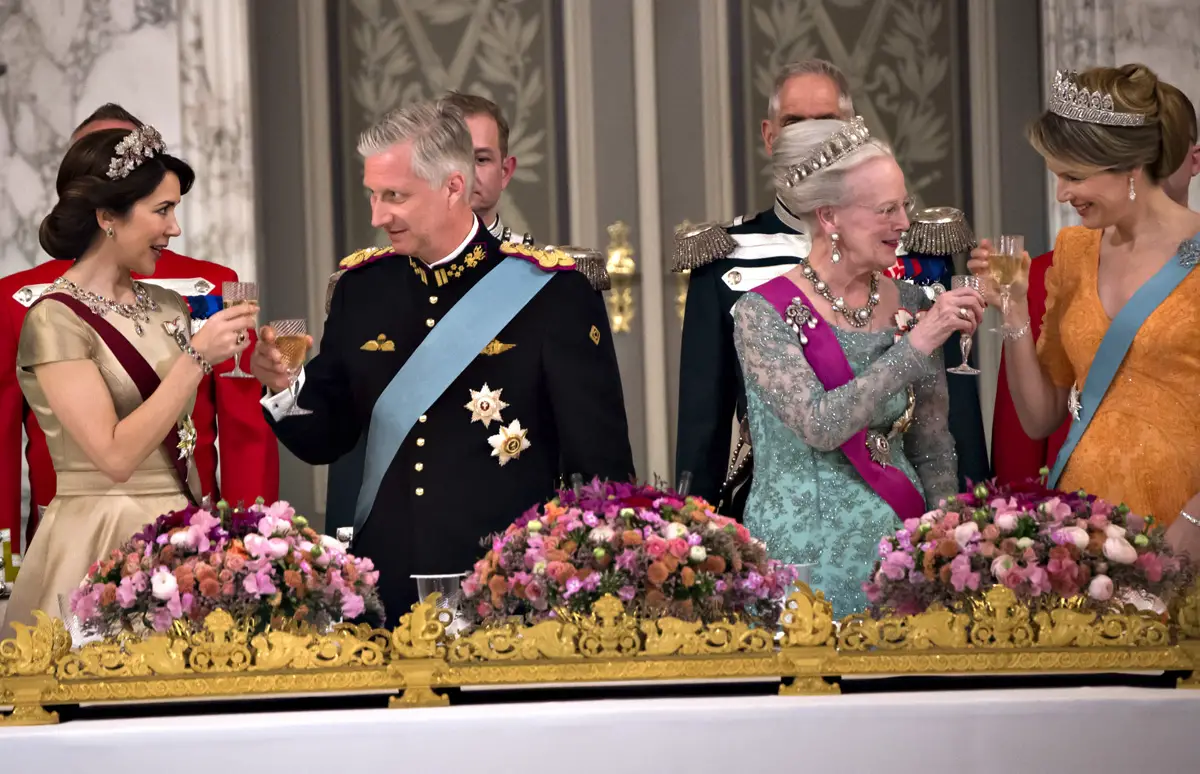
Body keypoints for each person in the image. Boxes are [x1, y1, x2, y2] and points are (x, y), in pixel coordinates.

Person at [251, 99, 634, 627]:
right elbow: (327, 437)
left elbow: (600, 468)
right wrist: (284, 387)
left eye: (395, 196)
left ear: (453, 188)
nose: (377, 216)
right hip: (386, 589)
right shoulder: (362, 290)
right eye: (373, 195)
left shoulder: (555, 293)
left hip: (510, 590)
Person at [2, 126, 257, 636]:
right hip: (101, 543)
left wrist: (273, 377)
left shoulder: (168, 308)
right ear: (107, 217)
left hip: (185, 542)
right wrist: (196, 360)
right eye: (162, 211)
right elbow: (114, 457)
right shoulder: (54, 319)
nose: (175, 229)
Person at [732, 118, 980, 616]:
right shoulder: (762, 312)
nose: (904, 222)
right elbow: (820, 425)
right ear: (829, 217)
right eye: (886, 209)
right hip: (805, 564)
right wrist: (917, 345)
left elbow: (931, 448)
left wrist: (948, 549)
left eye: (904, 205)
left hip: (902, 558)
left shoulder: (911, 302)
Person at [970, 65, 1200, 560]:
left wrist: (1195, 517)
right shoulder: (1073, 252)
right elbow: (1040, 418)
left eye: (1073, 176)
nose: (1062, 194)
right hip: (1081, 531)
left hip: (1183, 528)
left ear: (1129, 167)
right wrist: (1012, 311)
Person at [674, 59, 855, 518]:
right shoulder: (725, 256)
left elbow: (949, 421)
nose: (810, 137)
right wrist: (695, 534)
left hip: (893, 501)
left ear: (853, 130)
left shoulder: (907, 252)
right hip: (771, 501)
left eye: (826, 122)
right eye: (795, 123)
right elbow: (704, 423)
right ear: (770, 135)